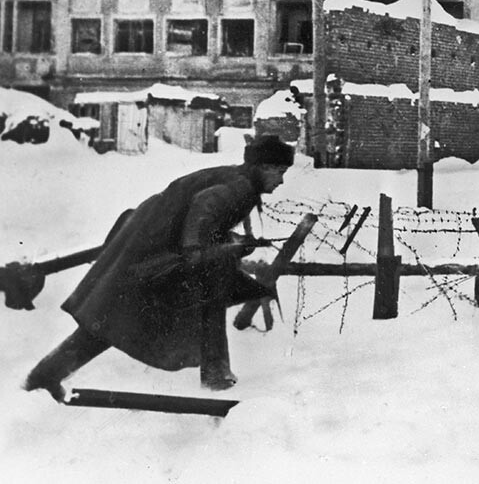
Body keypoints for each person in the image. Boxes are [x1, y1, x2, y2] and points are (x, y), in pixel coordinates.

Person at [22, 135, 296, 401]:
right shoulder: (241, 187)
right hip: (153, 247)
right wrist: (198, 249)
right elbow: (203, 209)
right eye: (279, 171)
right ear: (263, 167)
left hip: (150, 239)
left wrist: (229, 243)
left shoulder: (237, 178)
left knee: (114, 318)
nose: (282, 180)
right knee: (116, 317)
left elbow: (205, 216)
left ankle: (43, 376)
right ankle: (216, 378)